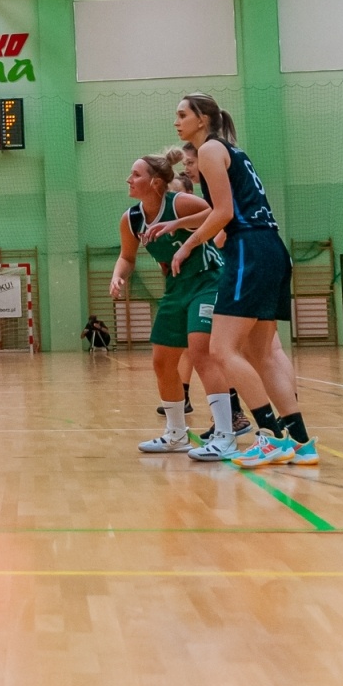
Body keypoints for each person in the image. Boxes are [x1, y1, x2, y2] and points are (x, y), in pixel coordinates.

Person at [170, 93, 318, 469]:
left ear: (202, 119)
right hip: (270, 247)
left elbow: (223, 212)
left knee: (222, 349)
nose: (177, 122)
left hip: (250, 249)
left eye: (182, 115)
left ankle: (269, 437)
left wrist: (186, 245)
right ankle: (301, 441)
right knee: (264, 352)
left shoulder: (209, 151)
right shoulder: (234, 152)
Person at [114, 149, 252, 458]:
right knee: (162, 361)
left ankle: (225, 434)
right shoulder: (132, 218)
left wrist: (179, 225)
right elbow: (127, 256)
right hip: (176, 288)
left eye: (136, 174)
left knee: (202, 353)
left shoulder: (180, 203)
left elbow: (217, 211)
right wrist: (118, 276)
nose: (129, 179)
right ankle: (176, 434)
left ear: (155, 183)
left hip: (208, 281)